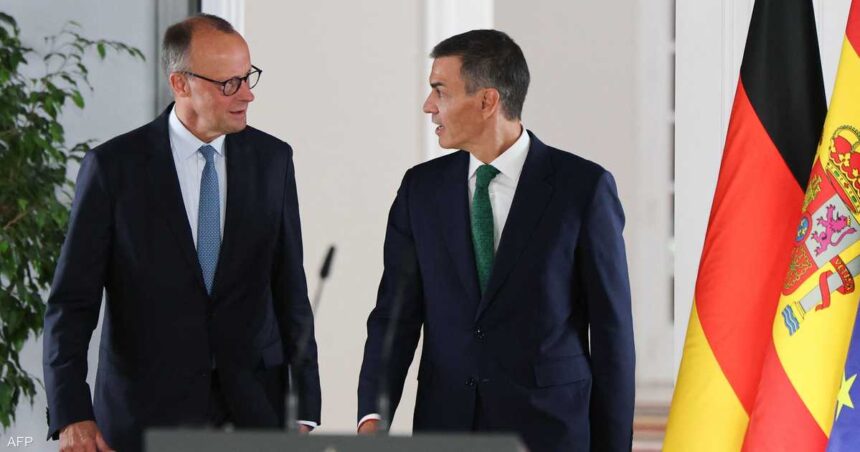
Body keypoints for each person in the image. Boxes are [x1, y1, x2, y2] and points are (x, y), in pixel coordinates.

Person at [42, 14, 321, 452]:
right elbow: (71, 304)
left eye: (248, 77)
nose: (247, 94)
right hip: (143, 415)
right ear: (180, 84)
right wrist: (71, 412)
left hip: (255, 411)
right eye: (228, 83)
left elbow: (290, 291)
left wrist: (304, 406)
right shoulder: (113, 168)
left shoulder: (273, 160)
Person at [356, 29, 635, 452]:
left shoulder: (583, 188)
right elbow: (394, 317)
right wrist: (372, 418)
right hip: (446, 428)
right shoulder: (420, 190)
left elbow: (613, 333)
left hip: (550, 430)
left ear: (487, 101)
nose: (429, 106)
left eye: (440, 91)